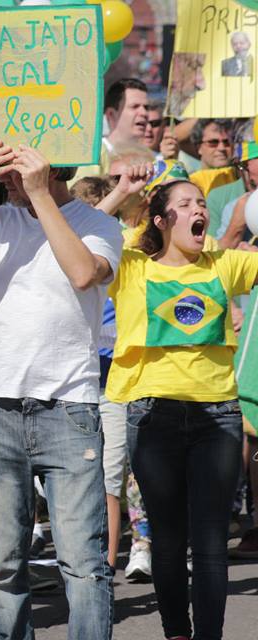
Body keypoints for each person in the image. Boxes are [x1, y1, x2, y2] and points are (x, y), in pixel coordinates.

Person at [0, 141, 122, 640]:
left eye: (16, 164)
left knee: (84, 563)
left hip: (69, 410)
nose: (7, 174)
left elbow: (85, 273)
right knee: (2, 565)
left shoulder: (99, 223)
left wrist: (41, 195)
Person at [106, 179, 258, 640]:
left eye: (201, 204)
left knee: (210, 543)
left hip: (218, 418)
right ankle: (176, 632)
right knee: (168, 541)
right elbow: (90, 234)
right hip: (154, 417)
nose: (199, 210)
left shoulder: (224, 264)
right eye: (185, 204)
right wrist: (124, 193)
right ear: (161, 220)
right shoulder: (132, 268)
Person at [189, 119, 236, 197]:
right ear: (198, 147)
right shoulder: (191, 182)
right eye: (213, 142)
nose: (221, 148)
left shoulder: (244, 176)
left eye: (227, 142)